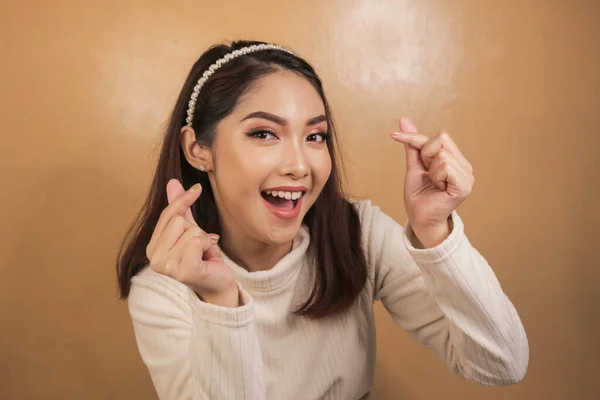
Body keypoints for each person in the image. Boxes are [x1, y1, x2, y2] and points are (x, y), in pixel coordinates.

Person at [116, 41, 529, 400]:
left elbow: (502, 364)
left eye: (315, 136)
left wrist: (436, 233)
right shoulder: (161, 288)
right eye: (264, 133)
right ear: (197, 150)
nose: (300, 165)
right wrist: (221, 302)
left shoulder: (357, 235)